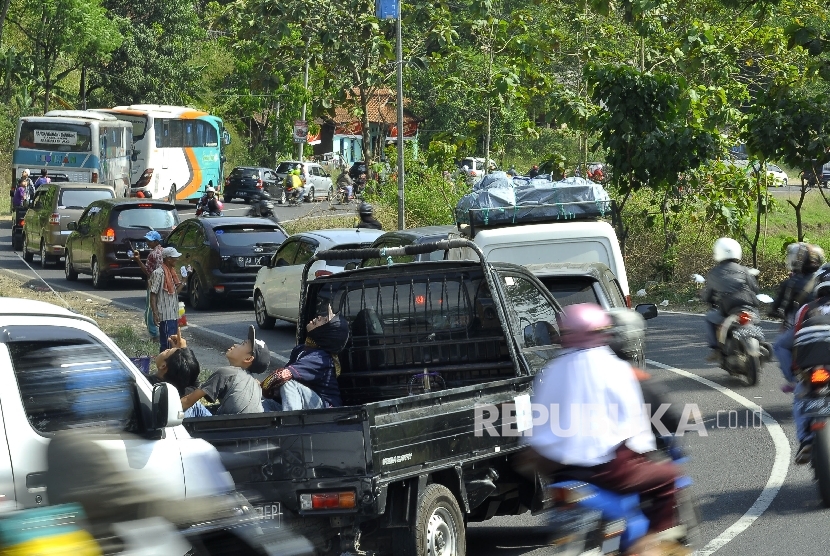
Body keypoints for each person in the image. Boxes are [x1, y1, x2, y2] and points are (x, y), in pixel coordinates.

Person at [523, 303, 684, 551]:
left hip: (560, 471)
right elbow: (635, 419)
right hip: (609, 469)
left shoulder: (551, 370)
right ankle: (650, 544)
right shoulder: (615, 368)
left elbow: (539, 421)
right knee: (669, 478)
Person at [261, 305, 350, 411]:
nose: (319, 317)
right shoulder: (302, 349)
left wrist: (264, 386)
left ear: (327, 332)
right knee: (264, 404)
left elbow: (283, 375)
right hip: (305, 402)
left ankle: (290, 424)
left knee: (288, 383)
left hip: (325, 410)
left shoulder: (321, 358)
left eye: (325, 320)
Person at [180, 325, 269, 415]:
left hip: (229, 428)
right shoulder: (255, 384)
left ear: (248, 359)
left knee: (194, 407)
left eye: (243, 344)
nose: (235, 344)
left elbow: (188, 401)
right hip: (254, 427)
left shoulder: (226, 373)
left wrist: (182, 352)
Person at [789, 268, 830, 463]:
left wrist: (796, 369)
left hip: (811, 367)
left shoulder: (805, 309)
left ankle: (805, 439)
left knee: (799, 397)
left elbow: (795, 340)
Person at [771, 243, 824, 388]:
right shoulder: (825, 279)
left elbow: (781, 307)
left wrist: (775, 312)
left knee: (779, 346)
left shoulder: (791, 282)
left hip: (803, 328)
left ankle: (792, 380)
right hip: (826, 326)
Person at [700, 237, 760, 362]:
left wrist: (707, 298)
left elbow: (708, 295)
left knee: (709, 319)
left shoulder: (714, 273)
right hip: (748, 308)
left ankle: (716, 349)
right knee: (755, 321)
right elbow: (755, 288)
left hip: (727, 310)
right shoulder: (744, 270)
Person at [149, 332, 212, 418]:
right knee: (195, 406)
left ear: (163, 366)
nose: (166, 350)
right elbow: (193, 379)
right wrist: (184, 351)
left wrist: (183, 351)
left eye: (167, 351)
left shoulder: (146, 382)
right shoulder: (186, 391)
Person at [149, 247, 185, 353]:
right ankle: (165, 364)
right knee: (166, 343)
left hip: (173, 314)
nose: (177, 259)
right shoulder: (159, 273)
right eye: (175, 258)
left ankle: (171, 364)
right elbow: (153, 294)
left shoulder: (171, 273)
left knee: (173, 342)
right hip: (164, 314)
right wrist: (155, 314)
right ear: (168, 259)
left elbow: (175, 292)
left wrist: (184, 279)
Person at [133, 230, 165, 340]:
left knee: (150, 310)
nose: (147, 242)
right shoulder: (164, 252)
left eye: (150, 241)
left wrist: (138, 260)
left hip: (154, 284)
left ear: (156, 241)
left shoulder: (152, 254)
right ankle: (163, 332)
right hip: (164, 284)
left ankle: (153, 334)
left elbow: (148, 271)